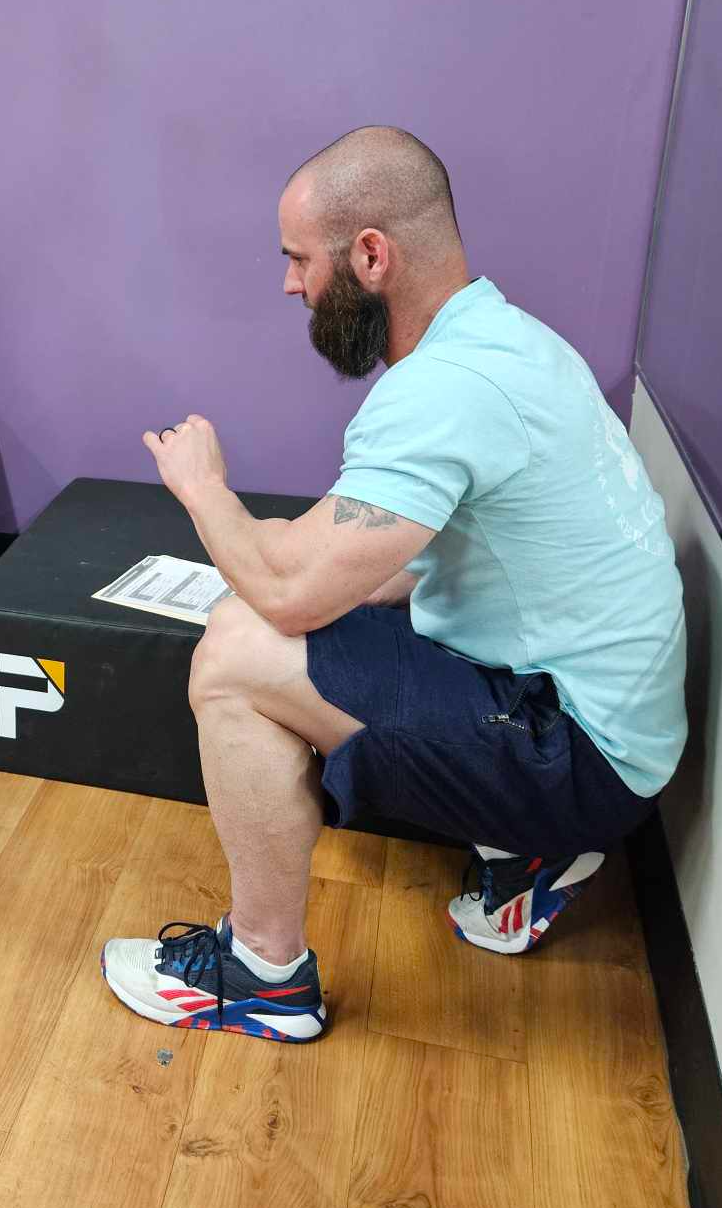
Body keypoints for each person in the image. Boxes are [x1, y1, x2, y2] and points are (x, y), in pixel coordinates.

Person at [101, 126, 687, 1043]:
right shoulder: (509, 338)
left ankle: (261, 977)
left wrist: (203, 489)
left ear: (370, 255)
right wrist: (285, 572)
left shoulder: (442, 391)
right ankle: (527, 860)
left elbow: (290, 596)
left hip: (579, 758)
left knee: (234, 655)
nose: (289, 284)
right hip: (612, 732)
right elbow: (381, 557)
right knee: (275, 608)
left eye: (299, 259)